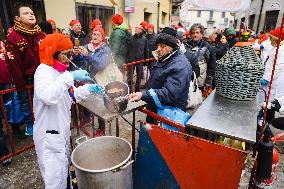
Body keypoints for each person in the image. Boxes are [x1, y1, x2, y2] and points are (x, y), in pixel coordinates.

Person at [34, 33, 104, 188]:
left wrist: (88, 88)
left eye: (71, 54)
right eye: (66, 55)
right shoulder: (43, 71)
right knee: (55, 180)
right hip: (49, 134)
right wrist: (70, 76)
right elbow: (47, 96)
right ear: (54, 52)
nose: (70, 59)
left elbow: (70, 96)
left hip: (61, 132)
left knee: (64, 173)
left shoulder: (61, 71)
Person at [128, 27, 192, 124]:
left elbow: (169, 93)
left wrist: (143, 94)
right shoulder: (166, 58)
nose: (158, 50)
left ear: (172, 47)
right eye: (157, 46)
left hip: (168, 115)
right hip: (156, 108)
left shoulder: (179, 66)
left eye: (162, 46)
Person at [5, 4, 46, 136]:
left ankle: (44, 124)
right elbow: (13, 63)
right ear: (18, 18)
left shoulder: (41, 34)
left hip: (43, 77)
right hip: (26, 80)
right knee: (26, 104)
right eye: (26, 13)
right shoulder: (13, 37)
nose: (31, 14)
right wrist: (21, 85)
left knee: (43, 102)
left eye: (32, 12)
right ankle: (30, 125)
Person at [76, 26, 111, 135]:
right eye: (94, 34)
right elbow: (80, 61)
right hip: (87, 79)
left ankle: (101, 128)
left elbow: (101, 65)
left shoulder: (106, 49)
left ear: (103, 37)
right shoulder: (87, 46)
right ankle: (87, 121)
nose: (94, 36)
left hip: (100, 80)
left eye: (98, 34)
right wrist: (76, 54)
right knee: (87, 100)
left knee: (100, 104)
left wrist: (88, 55)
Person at [184, 23, 216, 91]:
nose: (195, 35)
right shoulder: (185, 44)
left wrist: (208, 80)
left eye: (197, 33)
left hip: (200, 81)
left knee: (197, 99)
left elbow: (211, 65)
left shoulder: (207, 47)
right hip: (186, 79)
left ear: (201, 34)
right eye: (193, 33)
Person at [261, 27, 284, 102]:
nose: (270, 40)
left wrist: (267, 78)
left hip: (272, 81)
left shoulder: (280, 50)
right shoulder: (275, 47)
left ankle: (267, 112)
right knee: (264, 99)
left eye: (271, 38)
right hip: (268, 78)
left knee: (269, 101)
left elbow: (278, 67)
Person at [0, 39, 13, 166]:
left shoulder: (2, 44)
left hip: (6, 83)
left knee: (9, 110)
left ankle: (14, 130)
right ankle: (3, 153)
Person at [128, 25, 148, 92]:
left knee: (139, 75)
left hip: (140, 59)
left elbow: (146, 49)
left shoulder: (144, 39)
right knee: (130, 75)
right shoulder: (131, 38)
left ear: (141, 30)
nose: (136, 29)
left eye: (138, 28)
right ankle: (130, 89)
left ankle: (137, 89)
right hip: (132, 59)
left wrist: (146, 59)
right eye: (135, 28)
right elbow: (128, 49)